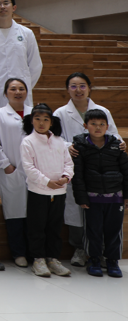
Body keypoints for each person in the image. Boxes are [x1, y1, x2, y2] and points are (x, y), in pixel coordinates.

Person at [55, 72, 120, 268]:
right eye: (73, 86)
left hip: (99, 170)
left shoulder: (102, 111)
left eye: (82, 85)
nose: (78, 90)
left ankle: (100, 251)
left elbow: (114, 135)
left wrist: (121, 144)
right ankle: (80, 249)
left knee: (99, 212)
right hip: (74, 167)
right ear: (67, 89)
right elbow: (55, 139)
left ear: (89, 88)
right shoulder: (60, 113)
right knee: (76, 210)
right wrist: (67, 146)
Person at [72, 108, 128, 278]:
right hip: (92, 198)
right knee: (93, 231)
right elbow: (78, 175)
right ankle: (94, 259)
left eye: (102, 124)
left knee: (114, 230)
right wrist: (81, 197)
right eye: (93, 124)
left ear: (107, 126)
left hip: (115, 197)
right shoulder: (80, 147)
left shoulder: (117, 145)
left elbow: (126, 171)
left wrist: (126, 195)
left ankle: (112, 261)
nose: (98, 127)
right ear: (85, 126)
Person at [21, 104, 73, 278]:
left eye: (45, 119)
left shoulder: (59, 141)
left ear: (51, 122)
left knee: (54, 227)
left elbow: (68, 163)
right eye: (37, 119)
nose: (41, 123)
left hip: (59, 192)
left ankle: (53, 259)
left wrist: (66, 177)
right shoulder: (28, 141)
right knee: (37, 226)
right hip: (38, 191)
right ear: (31, 121)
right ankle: (38, 259)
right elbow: (29, 168)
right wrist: (46, 182)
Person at [0, 78, 33, 268]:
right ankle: (19, 253)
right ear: (5, 93)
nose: (18, 92)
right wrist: (6, 165)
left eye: (21, 89)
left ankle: (34, 253)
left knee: (34, 214)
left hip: (34, 171)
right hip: (11, 169)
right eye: (13, 89)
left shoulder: (35, 113)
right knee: (15, 213)